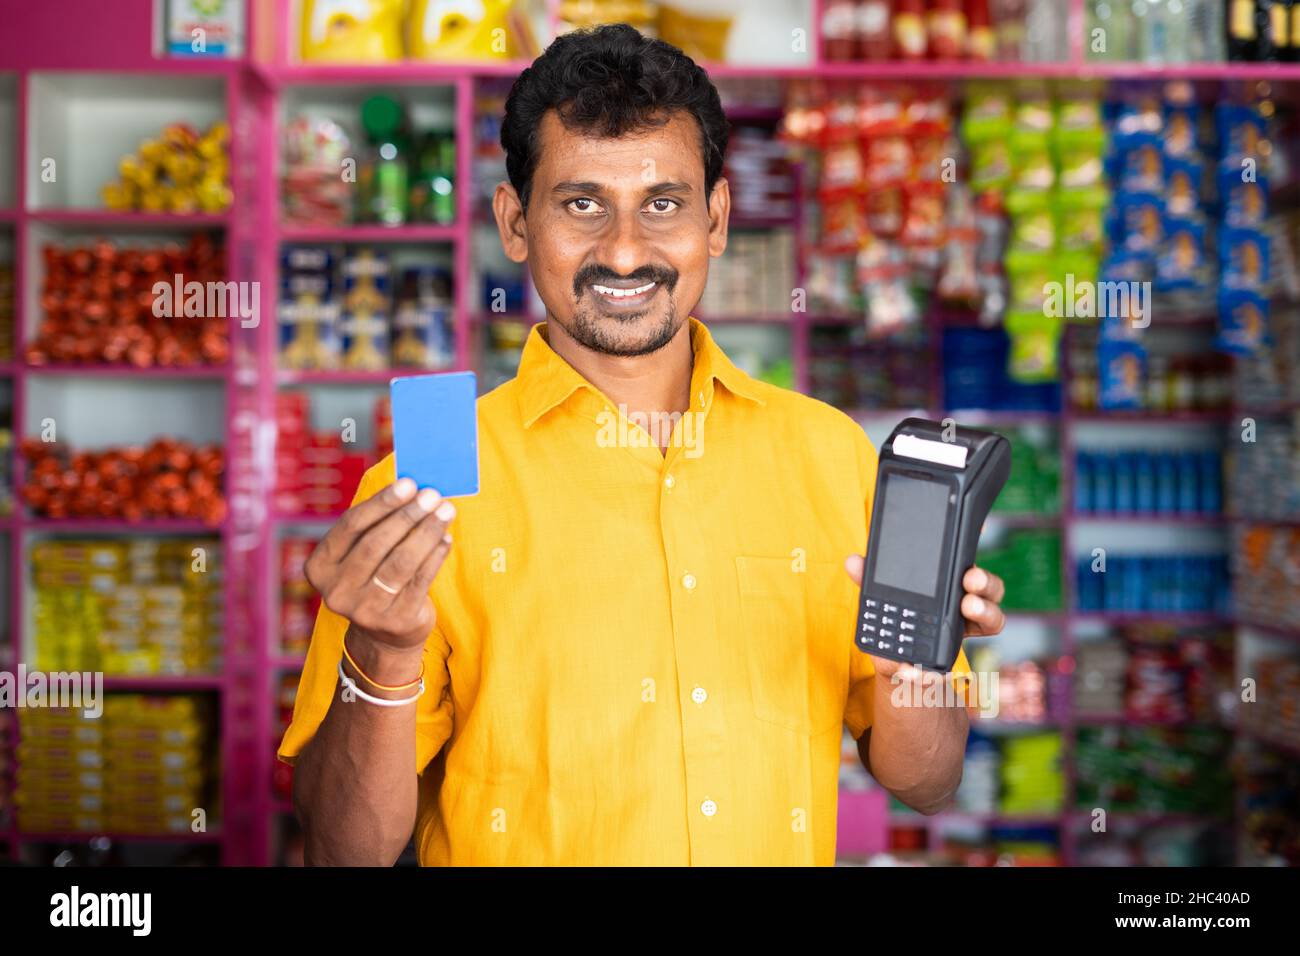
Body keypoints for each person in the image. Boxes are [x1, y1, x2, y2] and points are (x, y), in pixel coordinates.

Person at [280, 23, 1006, 866]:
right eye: (581, 203)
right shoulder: (428, 482)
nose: (625, 251)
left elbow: (926, 780)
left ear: (717, 218)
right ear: (515, 224)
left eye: (663, 203)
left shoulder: (828, 454)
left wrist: (913, 660)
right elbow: (342, 853)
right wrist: (380, 654)